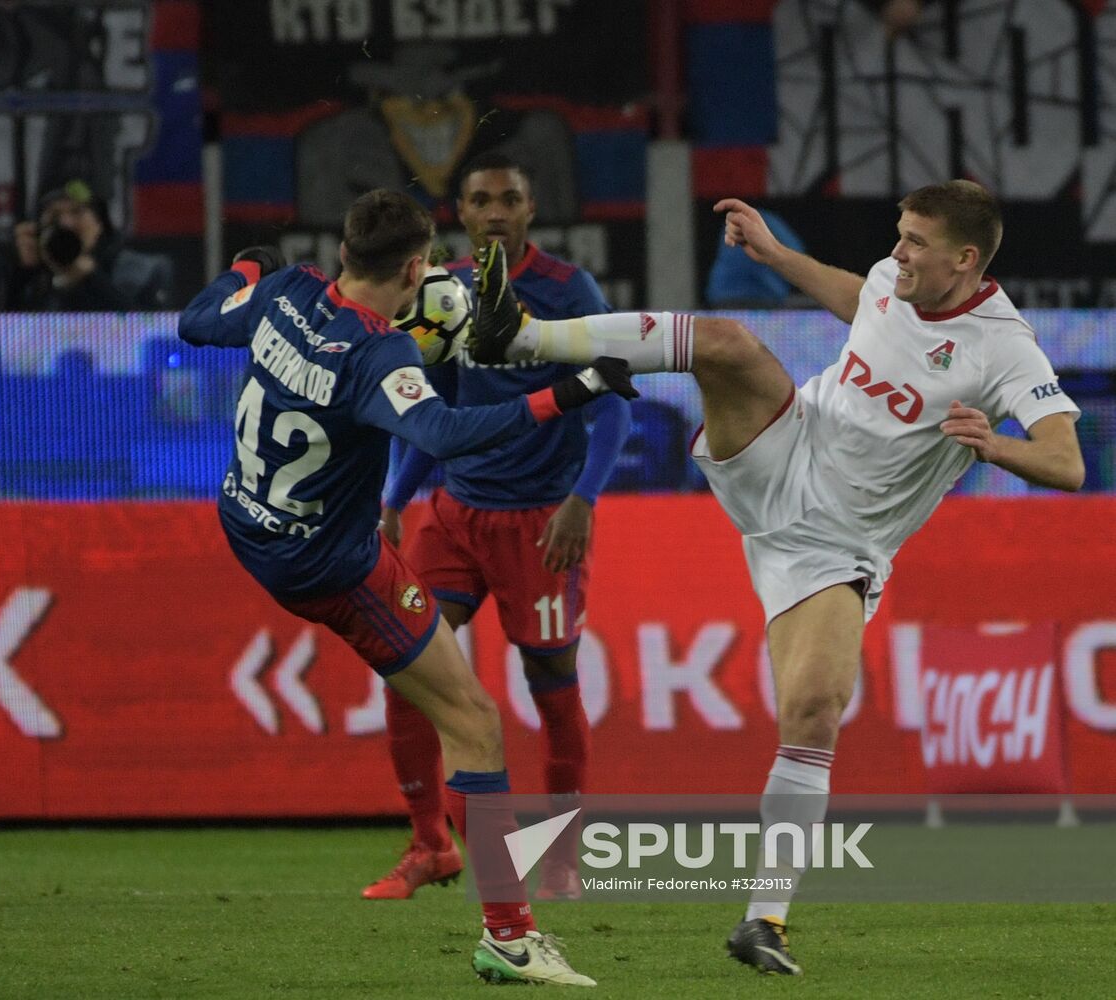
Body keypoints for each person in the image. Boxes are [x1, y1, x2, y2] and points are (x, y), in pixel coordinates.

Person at [463, 179, 1084, 974]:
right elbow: (862, 298)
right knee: (723, 343)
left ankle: (762, 921)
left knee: (814, 712)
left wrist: (995, 446)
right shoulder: (895, 280)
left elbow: (1064, 460)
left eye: (915, 242)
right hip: (780, 450)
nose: (897, 252)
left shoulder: (1005, 347)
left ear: (964, 259)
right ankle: (519, 339)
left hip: (837, 545)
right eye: (898, 234)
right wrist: (776, 255)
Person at [178, 187, 638, 986]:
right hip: (330, 565)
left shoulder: (284, 296)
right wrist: (573, 390)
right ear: (418, 266)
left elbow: (198, 318)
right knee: (476, 719)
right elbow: (444, 432)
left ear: (345, 248)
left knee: (445, 693)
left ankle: (436, 843)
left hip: (246, 522)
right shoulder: (375, 353)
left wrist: (248, 265)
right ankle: (509, 933)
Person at [364, 153, 629, 903]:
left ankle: (563, 858)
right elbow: (430, 410)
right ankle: (428, 845)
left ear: (529, 210)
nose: (495, 212)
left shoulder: (567, 290)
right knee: (404, 661)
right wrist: (393, 500)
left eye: (509, 199)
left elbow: (610, 399)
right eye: (481, 200)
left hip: (541, 520)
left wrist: (584, 499)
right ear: (461, 213)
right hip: (454, 513)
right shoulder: (443, 294)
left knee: (549, 680)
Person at [0, 179, 173, 311]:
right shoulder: (17, 273)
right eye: (54, 215)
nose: (66, 224)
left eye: (77, 212)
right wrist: (20, 274)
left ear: (99, 224)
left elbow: (145, 334)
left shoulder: (140, 270)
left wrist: (92, 279)